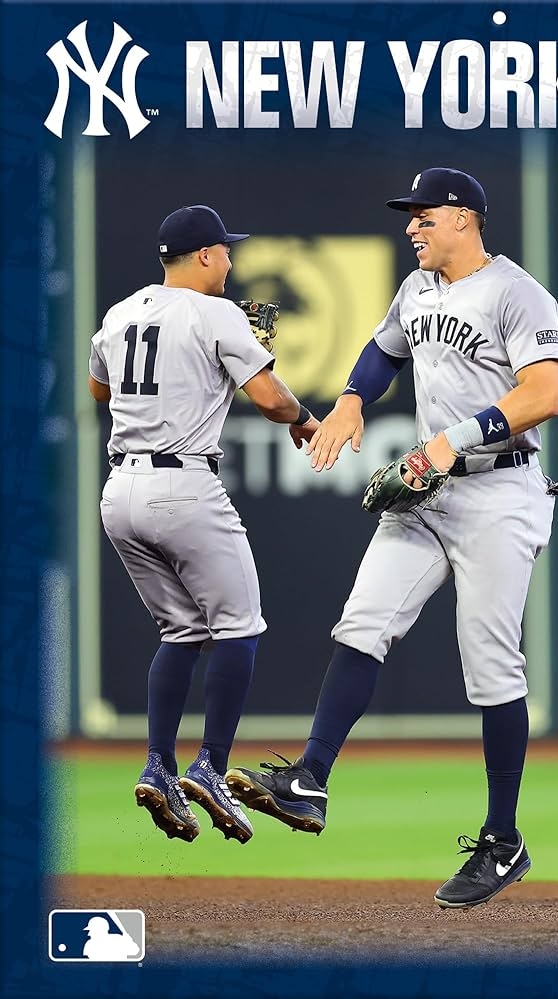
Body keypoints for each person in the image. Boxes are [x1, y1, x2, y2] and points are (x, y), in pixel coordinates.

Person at [225, 167, 558, 908]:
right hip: (427, 488)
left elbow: (544, 393)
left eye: (424, 214)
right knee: (362, 623)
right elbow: (384, 350)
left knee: (491, 666)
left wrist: (453, 440)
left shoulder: (517, 293)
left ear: (464, 218)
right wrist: (351, 397)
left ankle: (503, 840)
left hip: (500, 490)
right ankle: (310, 778)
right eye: (409, 215)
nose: (411, 225)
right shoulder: (417, 289)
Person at [88, 205, 320, 844]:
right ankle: (211, 766)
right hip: (183, 485)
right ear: (207, 255)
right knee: (239, 627)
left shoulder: (121, 313)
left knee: (181, 629)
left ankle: (158, 767)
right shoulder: (216, 313)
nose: (232, 261)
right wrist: (303, 416)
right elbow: (270, 400)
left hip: (120, 492)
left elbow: (100, 391)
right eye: (227, 251)